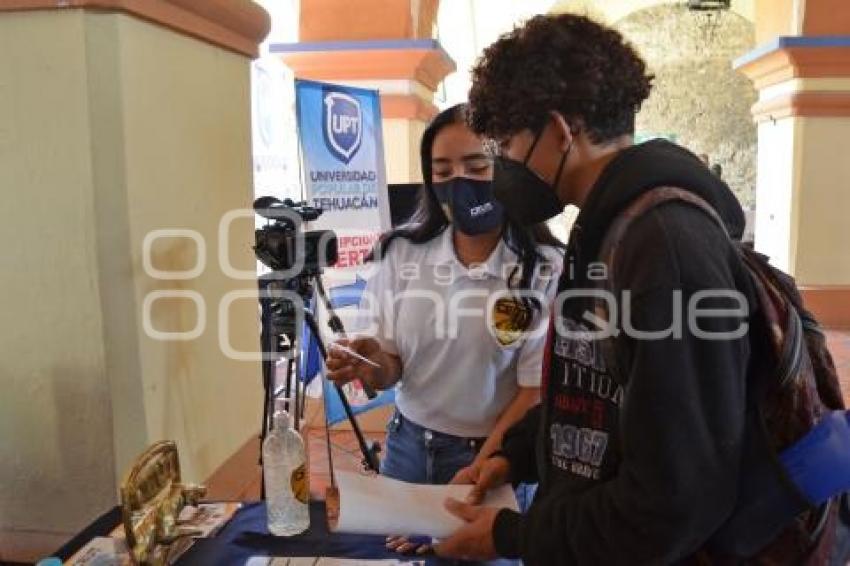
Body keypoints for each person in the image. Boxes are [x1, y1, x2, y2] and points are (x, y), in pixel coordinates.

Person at [433, 14, 847, 565]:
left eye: (507, 146)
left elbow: (674, 499)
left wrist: (512, 538)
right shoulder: (610, 227)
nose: (502, 169)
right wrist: (519, 454)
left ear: (559, 132)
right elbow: (608, 393)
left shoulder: (664, 245)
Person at [326, 104, 563, 555]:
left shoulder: (544, 269)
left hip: (493, 459)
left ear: (508, 168)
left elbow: (533, 393)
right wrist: (366, 360)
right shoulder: (402, 253)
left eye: (477, 166)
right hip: (408, 447)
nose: (460, 181)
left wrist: (481, 468)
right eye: (443, 169)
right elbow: (388, 369)